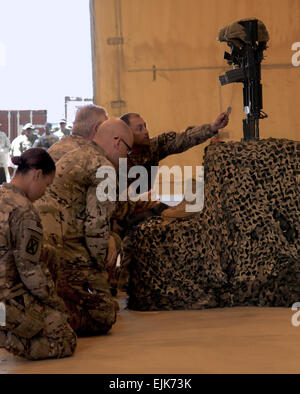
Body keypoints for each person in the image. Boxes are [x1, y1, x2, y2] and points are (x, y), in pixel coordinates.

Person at [35, 119, 134, 336]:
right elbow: (96, 227)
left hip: (42, 244)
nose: (127, 158)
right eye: (128, 150)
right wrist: (101, 265)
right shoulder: (104, 167)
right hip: (62, 247)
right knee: (104, 313)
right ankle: (42, 320)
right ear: (117, 142)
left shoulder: (78, 154)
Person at [0, 148, 77, 360]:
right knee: (64, 339)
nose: (45, 191)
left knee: (48, 252)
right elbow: (29, 270)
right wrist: (55, 303)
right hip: (4, 300)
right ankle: (5, 336)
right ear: (37, 175)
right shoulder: (24, 210)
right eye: (47, 184)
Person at [120, 112, 229, 190]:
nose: (146, 131)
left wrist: (212, 127)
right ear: (127, 133)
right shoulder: (116, 159)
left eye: (145, 126)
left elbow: (183, 138)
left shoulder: (151, 147)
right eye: (140, 128)